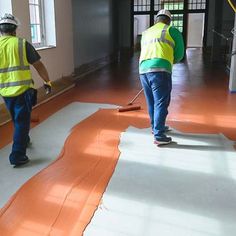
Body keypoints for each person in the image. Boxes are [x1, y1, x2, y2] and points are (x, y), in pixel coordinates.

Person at [0, 13, 52, 166]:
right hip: (22, 90)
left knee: (17, 119)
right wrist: (47, 81)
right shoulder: (22, 44)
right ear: (15, 29)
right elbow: (38, 65)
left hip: (5, 92)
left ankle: (25, 138)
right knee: (22, 122)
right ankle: (17, 155)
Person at [139, 9, 184, 145]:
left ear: (156, 20)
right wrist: (171, 61)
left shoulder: (146, 32)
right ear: (169, 20)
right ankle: (159, 135)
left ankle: (156, 127)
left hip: (143, 69)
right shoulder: (172, 30)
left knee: (152, 101)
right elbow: (180, 53)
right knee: (161, 102)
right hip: (160, 69)